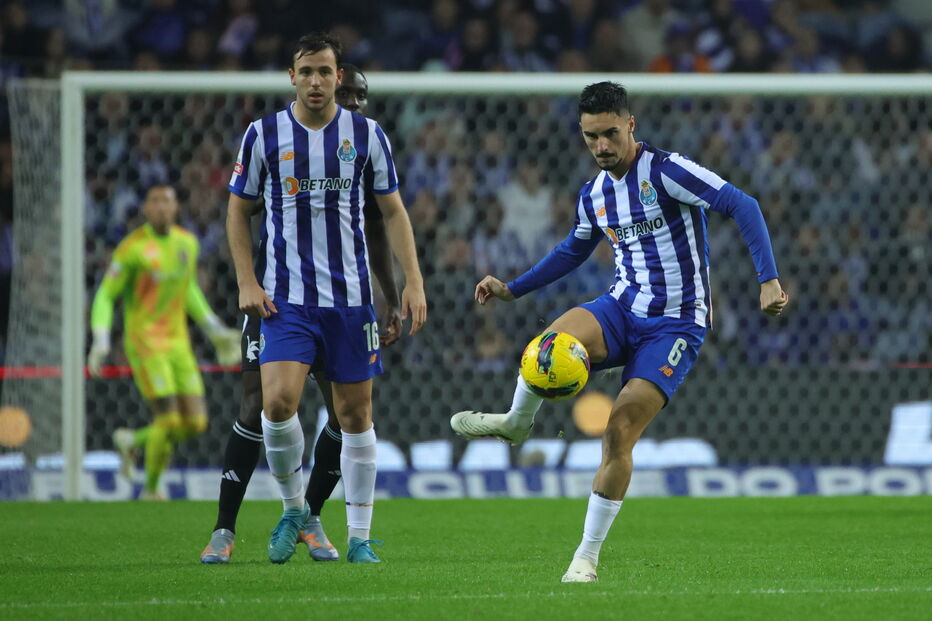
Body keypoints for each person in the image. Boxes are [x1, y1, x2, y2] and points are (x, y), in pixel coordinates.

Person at [451, 82, 788, 582]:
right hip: (621, 307)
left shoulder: (668, 171)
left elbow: (744, 205)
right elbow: (572, 250)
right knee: (547, 346)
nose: (602, 147)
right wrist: (513, 288)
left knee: (619, 430)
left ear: (630, 125)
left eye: (610, 133)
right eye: (591, 137)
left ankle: (585, 556)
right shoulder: (594, 194)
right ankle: (517, 422)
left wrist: (768, 279)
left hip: (676, 323)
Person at [225, 33, 426, 565]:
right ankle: (295, 509)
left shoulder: (367, 135)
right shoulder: (262, 134)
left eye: (325, 72)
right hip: (286, 298)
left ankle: (360, 536)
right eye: (306, 71)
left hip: (351, 300)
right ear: (292, 76)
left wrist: (412, 283)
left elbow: (393, 214)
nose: (316, 81)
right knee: (275, 402)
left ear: (340, 77)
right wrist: (247, 280)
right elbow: (236, 212)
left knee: (355, 416)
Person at [88, 185, 240, 500]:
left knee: (196, 422)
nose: (161, 207)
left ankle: (132, 440)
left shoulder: (187, 243)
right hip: (145, 342)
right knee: (169, 419)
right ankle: (152, 489)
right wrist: (101, 339)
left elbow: (189, 291)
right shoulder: (132, 249)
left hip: (178, 344)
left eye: (167, 201)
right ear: (145, 208)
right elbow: (105, 293)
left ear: (176, 208)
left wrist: (214, 329)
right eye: (154, 201)